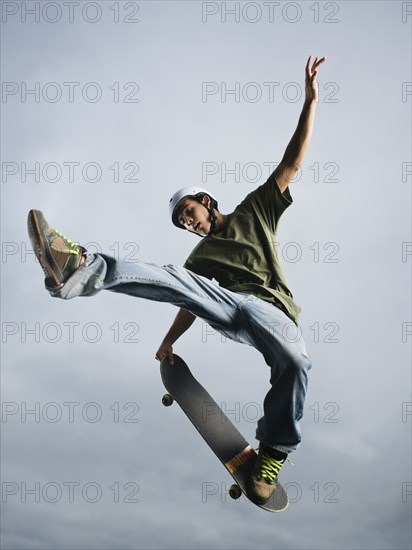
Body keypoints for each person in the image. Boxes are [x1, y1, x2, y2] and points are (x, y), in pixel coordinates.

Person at [27, 55, 326, 505]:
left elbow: (293, 160)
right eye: (183, 222)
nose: (189, 224)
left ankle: (274, 451)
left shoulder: (256, 209)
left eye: (189, 213)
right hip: (231, 309)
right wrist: (169, 342)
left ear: (206, 201)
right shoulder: (201, 254)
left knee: (296, 362)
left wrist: (310, 102)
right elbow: (186, 300)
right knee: (177, 278)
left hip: (273, 313)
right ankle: (79, 267)